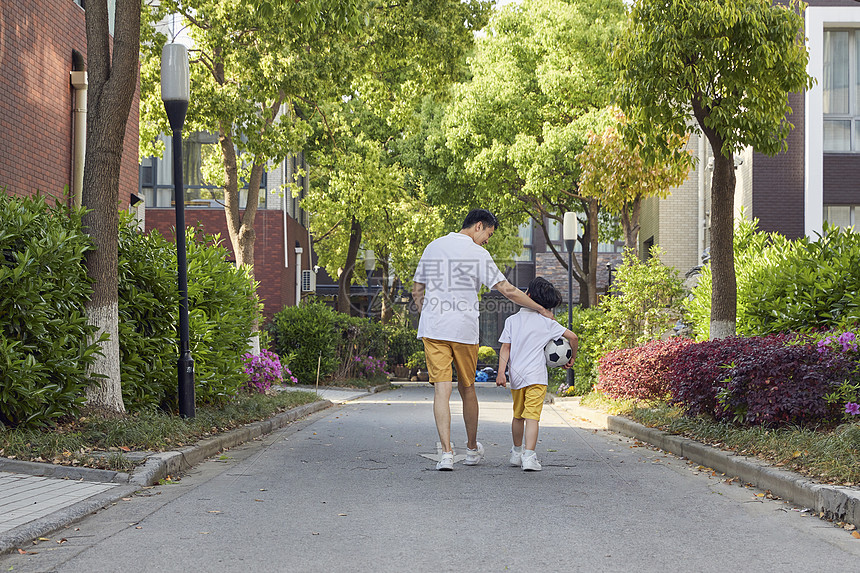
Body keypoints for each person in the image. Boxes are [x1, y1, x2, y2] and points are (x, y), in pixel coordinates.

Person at [412, 209, 555, 471]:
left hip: (433, 329)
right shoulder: (479, 254)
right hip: (463, 331)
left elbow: (417, 288)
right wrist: (540, 308)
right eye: (488, 234)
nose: (487, 240)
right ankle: (470, 450)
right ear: (479, 226)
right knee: (468, 388)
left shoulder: (433, 246)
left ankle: (446, 454)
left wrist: (428, 313)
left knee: (441, 390)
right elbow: (508, 290)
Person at [495, 277, 578, 471]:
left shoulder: (512, 321)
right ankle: (529, 457)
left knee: (518, 416)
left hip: (517, 377)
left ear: (528, 296)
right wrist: (571, 358)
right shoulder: (547, 323)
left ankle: (516, 453)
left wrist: (501, 373)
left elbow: (505, 348)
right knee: (533, 417)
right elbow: (572, 337)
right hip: (537, 378)